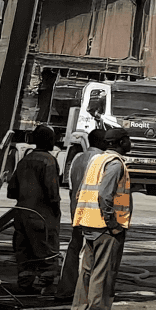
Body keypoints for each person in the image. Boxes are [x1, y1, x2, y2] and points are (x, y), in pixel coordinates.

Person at [67, 127, 133, 310]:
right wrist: (112, 224)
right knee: (103, 274)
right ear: (120, 143)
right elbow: (105, 195)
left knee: (86, 273)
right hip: (105, 228)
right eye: (128, 140)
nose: (130, 143)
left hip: (89, 223)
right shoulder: (114, 164)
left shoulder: (96, 160)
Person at [57, 128, 112, 300]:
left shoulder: (77, 159)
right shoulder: (101, 160)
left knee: (74, 248)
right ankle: (84, 294)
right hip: (93, 214)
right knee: (90, 255)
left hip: (77, 211)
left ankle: (66, 289)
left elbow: (72, 188)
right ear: (102, 142)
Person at [6, 125, 62, 294]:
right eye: (52, 138)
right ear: (48, 141)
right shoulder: (49, 161)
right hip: (41, 216)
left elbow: (11, 190)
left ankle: (25, 284)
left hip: (22, 214)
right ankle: (47, 285)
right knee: (47, 250)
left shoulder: (25, 160)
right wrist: (55, 210)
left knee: (24, 250)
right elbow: (52, 192)